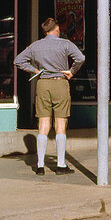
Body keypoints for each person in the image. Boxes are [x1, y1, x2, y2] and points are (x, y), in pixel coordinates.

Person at [14, 18, 86, 175]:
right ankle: (60, 165)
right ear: (57, 28)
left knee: (43, 123)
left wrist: (34, 70)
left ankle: (40, 166)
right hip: (60, 82)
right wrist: (72, 71)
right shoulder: (65, 44)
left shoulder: (36, 45)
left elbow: (18, 60)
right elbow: (80, 58)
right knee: (60, 125)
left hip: (43, 83)